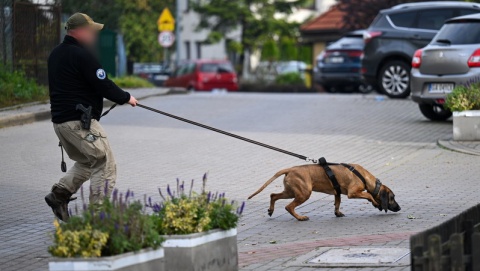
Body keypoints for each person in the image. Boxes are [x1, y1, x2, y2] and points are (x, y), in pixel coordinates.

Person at [44, 13, 137, 222]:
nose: (94, 35)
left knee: (88, 162)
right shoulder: (82, 55)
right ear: (81, 31)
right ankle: (98, 220)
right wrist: (126, 97)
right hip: (80, 123)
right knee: (105, 164)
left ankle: (59, 194)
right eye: (92, 30)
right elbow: (103, 84)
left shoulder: (56, 54)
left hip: (62, 124)